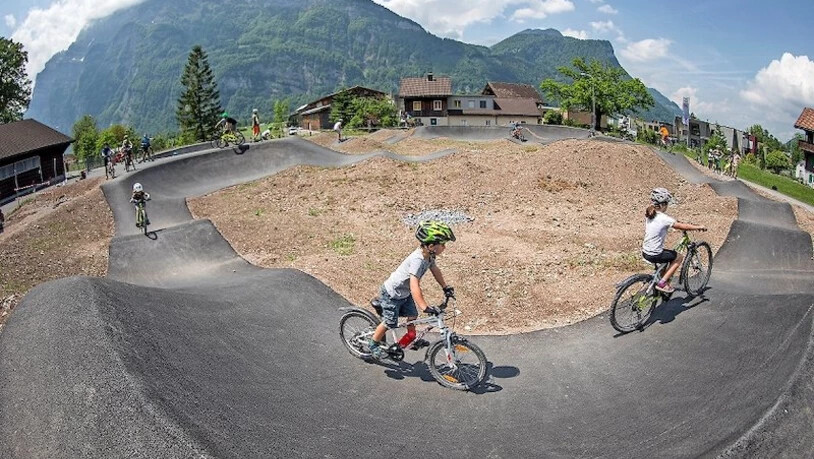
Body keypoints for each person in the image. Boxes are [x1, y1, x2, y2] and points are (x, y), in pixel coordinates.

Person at [367, 221, 456, 359]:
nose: (444, 247)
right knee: (390, 322)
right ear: (431, 246)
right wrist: (424, 306)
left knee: (413, 315)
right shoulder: (417, 260)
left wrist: (445, 287)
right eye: (443, 244)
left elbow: (434, 270)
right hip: (392, 293)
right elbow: (415, 285)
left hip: (404, 292)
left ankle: (411, 337)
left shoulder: (430, 256)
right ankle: (373, 344)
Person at [642, 188, 707, 293]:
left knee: (665, 260)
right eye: (667, 203)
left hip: (645, 251)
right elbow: (682, 226)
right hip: (655, 253)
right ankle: (662, 283)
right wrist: (698, 227)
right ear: (663, 205)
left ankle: (662, 282)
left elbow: (669, 224)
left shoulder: (650, 214)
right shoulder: (665, 219)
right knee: (678, 257)